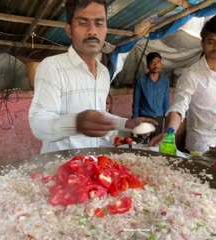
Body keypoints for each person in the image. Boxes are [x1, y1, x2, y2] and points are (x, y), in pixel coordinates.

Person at [29, 0, 157, 153]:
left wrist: (127, 123)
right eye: (83, 23)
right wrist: (76, 123)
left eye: (99, 23)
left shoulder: (103, 72)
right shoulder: (52, 67)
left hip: (93, 163)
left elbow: (99, 114)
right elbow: (39, 124)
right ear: (69, 30)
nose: (92, 31)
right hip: (61, 167)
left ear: (105, 29)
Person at [150, 14, 216, 154]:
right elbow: (179, 106)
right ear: (202, 43)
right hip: (202, 146)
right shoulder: (192, 75)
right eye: (211, 41)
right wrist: (170, 132)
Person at [132, 52, 170, 139]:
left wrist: (167, 120)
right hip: (144, 117)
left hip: (159, 119)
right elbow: (136, 102)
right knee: (142, 144)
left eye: (158, 62)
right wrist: (135, 119)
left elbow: (166, 101)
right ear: (148, 65)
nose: (155, 65)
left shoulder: (165, 81)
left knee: (156, 145)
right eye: (152, 63)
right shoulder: (141, 81)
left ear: (161, 63)